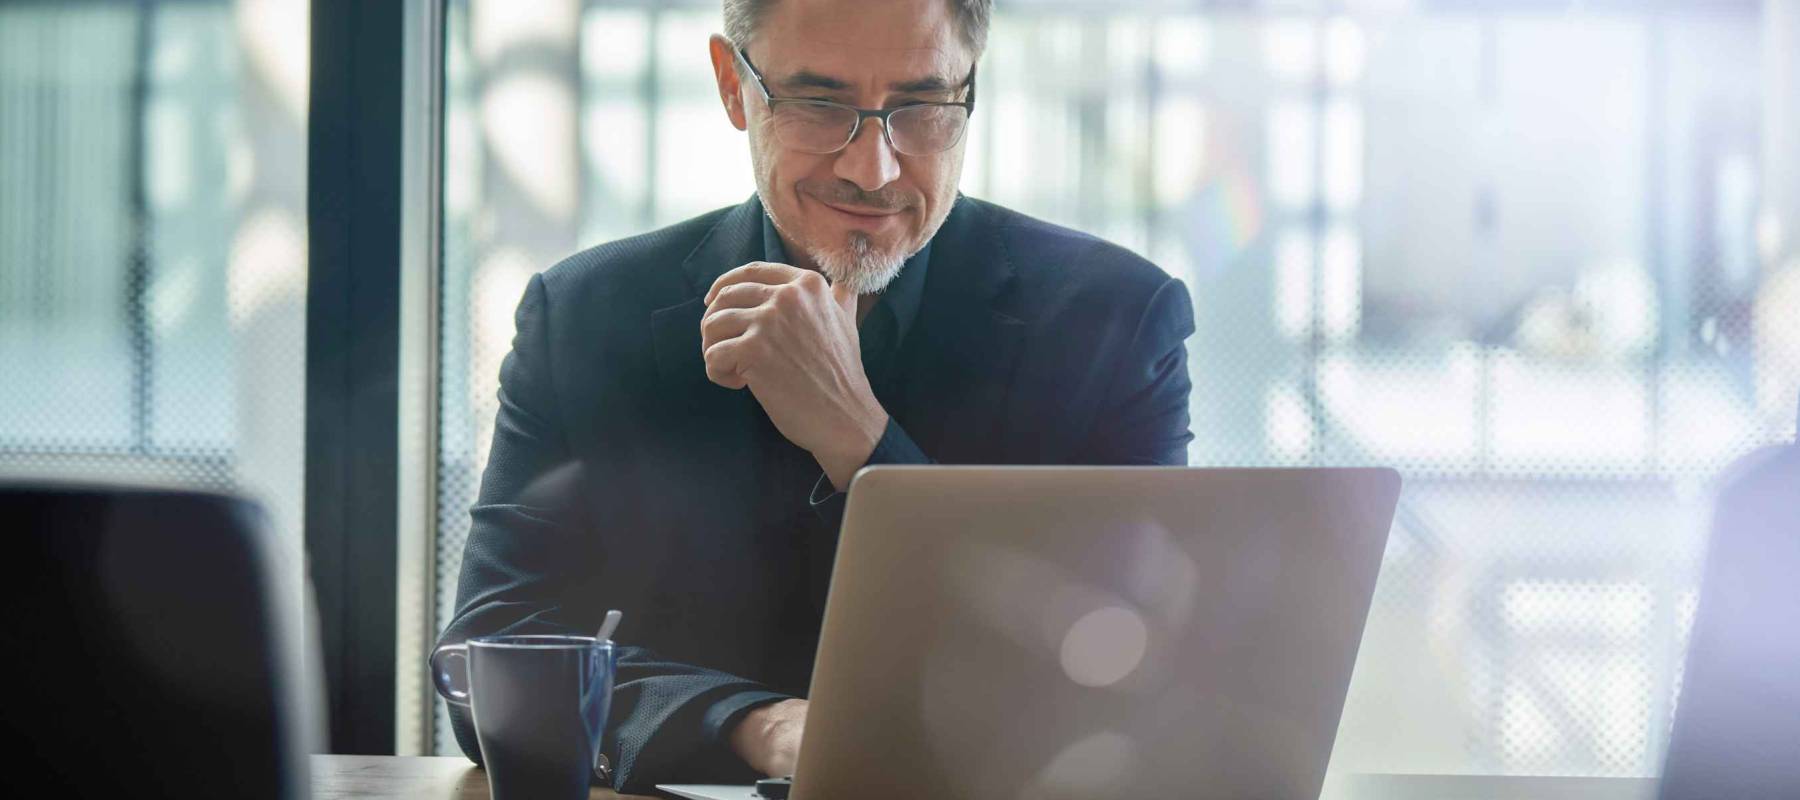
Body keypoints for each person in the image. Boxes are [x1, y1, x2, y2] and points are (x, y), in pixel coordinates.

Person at [436, 0, 1195, 792]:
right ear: (735, 88)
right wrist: (756, 726)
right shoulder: (586, 317)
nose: (874, 169)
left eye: (921, 106)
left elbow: (1128, 676)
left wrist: (861, 440)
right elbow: (493, 653)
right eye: (819, 103)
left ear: (970, 91)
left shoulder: (1118, 324)